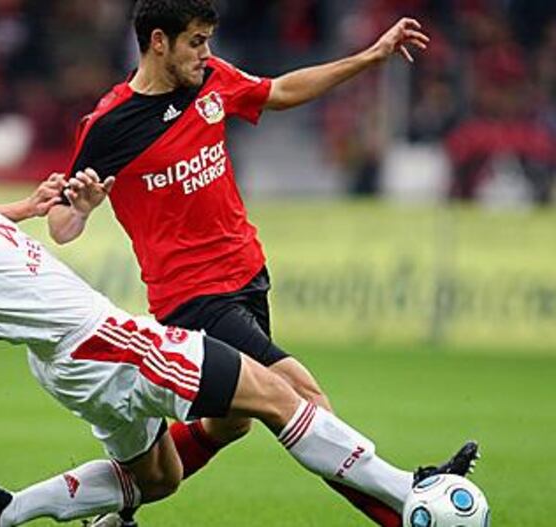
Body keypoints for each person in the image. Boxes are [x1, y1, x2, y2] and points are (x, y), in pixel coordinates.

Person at [0, 113, 478, 527]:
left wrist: (35, 206)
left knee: (157, 477)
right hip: (108, 342)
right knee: (275, 394)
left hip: (68, 365)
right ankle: (409, 493)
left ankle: (2, 513)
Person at [47, 2, 430, 525]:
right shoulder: (109, 124)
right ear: (159, 42)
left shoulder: (214, 80)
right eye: (195, 42)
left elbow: (281, 92)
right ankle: (408, 504)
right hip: (193, 298)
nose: (206, 53)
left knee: (231, 424)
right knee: (302, 396)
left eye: (207, 40)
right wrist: (83, 209)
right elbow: (62, 225)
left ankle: (114, 509)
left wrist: (370, 57)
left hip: (247, 277)